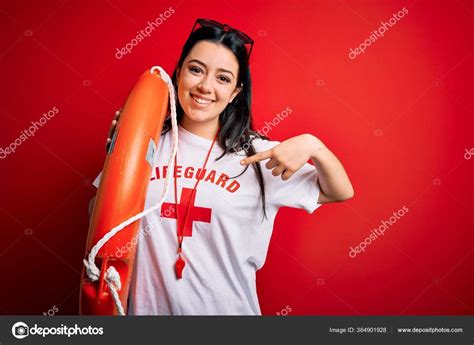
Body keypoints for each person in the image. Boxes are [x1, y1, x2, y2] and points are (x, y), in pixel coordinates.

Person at [89, 18, 354, 315]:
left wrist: (314, 146)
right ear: (178, 74)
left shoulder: (260, 156)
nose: (205, 86)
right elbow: (102, 226)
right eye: (196, 69)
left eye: (223, 78)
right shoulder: (147, 143)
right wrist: (119, 155)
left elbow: (339, 192)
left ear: (236, 93)